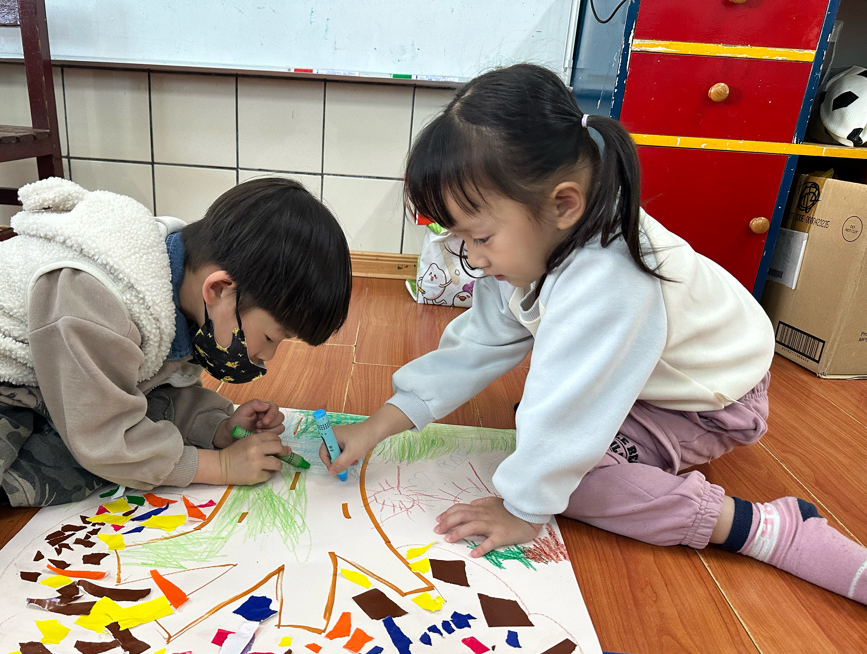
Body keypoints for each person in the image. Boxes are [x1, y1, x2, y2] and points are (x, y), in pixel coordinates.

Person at [323, 63, 867, 607]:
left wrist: (524, 511)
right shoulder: (531, 243)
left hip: (712, 402)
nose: (474, 258)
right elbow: (476, 345)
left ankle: (761, 528)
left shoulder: (610, 276)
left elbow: (568, 408)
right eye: (462, 239)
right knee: (542, 436)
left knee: (571, 481)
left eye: (481, 237)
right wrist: (381, 424)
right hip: (650, 378)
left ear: (563, 204)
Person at [0, 175, 352, 654]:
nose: (265, 359)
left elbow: (144, 389)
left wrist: (220, 426)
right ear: (219, 289)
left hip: (25, 388)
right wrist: (220, 467)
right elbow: (107, 433)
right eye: (270, 338)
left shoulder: (176, 290)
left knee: (110, 449)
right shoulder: (98, 291)